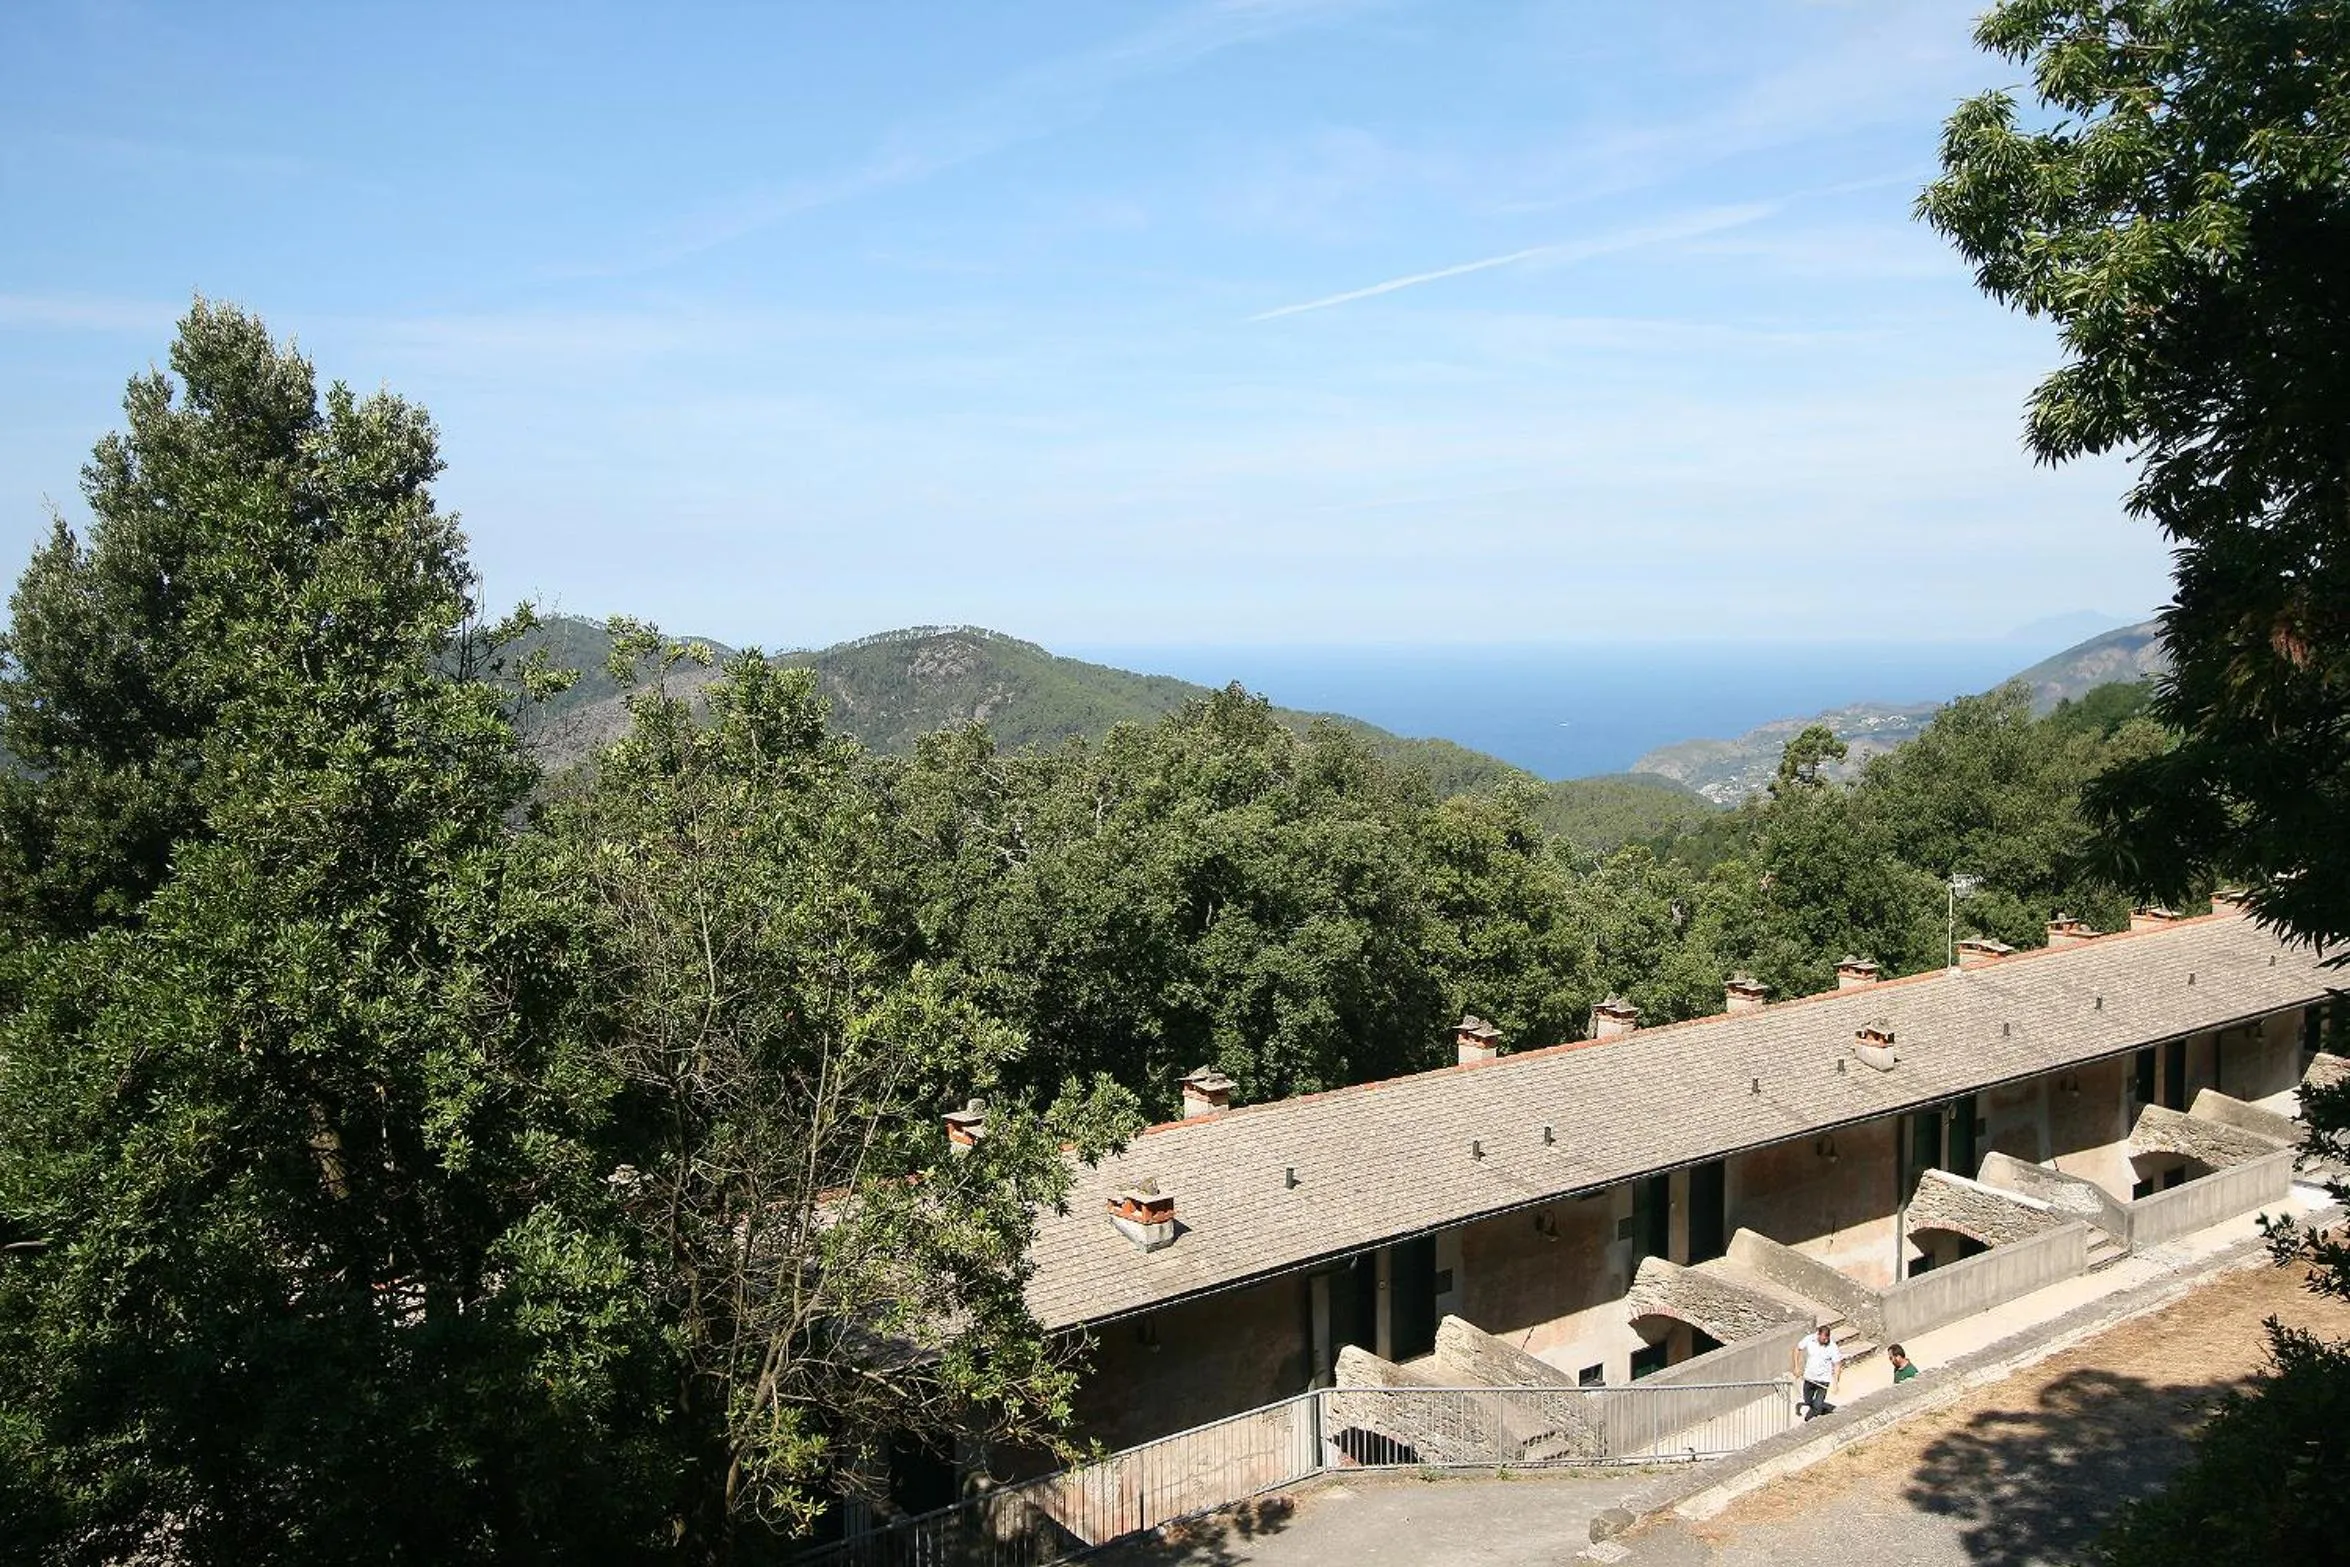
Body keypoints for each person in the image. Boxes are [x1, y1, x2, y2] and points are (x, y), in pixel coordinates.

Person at [1795, 1324, 1842, 1419]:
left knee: (1817, 1406)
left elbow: (1837, 1365)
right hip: (1809, 1377)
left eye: (1827, 1339)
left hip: (1823, 1380)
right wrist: (1797, 1367)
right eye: (1823, 1339)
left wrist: (1836, 1383)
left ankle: (1810, 1420)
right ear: (1818, 1335)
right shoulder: (1809, 1339)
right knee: (1807, 1400)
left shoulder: (1832, 1347)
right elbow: (1797, 1349)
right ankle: (1823, 1409)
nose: (1826, 1341)